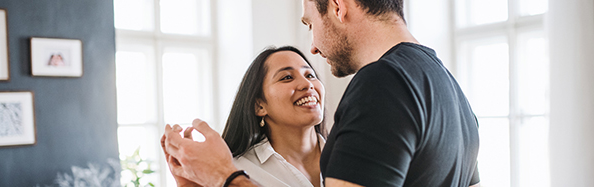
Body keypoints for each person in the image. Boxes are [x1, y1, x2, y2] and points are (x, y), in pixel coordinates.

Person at [162, 0, 481, 186]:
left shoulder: (381, 84)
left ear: (339, 7)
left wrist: (225, 177)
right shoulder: (448, 86)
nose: (313, 45)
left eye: (310, 23)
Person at [161, 46, 327, 187]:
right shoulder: (233, 170)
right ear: (259, 106)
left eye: (310, 75)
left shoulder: (348, 151)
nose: (307, 84)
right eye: (287, 77)